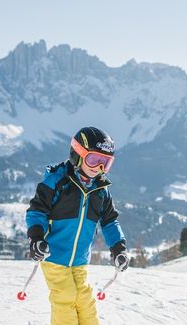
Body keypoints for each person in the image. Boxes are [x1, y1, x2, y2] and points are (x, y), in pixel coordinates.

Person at [25, 127, 128, 325]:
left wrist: (118, 248)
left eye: (105, 163)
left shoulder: (101, 190)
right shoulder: (57, 181)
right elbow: (36, 211)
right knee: (65, 297)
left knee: (84, 300)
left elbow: (109, 221)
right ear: (77, 155)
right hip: (54, 256)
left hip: (80, 260)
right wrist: (36, 238)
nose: (98, 167)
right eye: (93, 160)